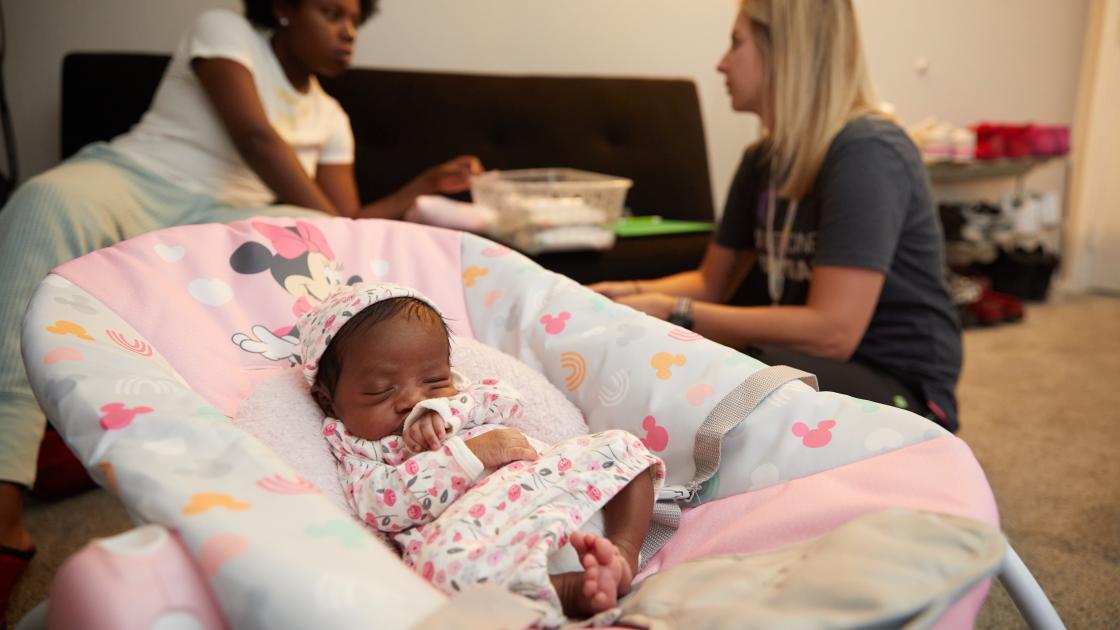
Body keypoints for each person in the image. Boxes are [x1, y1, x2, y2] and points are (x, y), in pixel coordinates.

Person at [0, 0, 482, 615]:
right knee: (46, 201)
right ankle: (6, 504)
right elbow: (254, 136)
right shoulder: (223, 31)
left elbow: (346, 224)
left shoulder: (331, 117)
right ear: (283, 9)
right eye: (332, 13)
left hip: (231, 216)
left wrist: (417, 191)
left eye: (357, 21)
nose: (347, 32)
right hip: (138, 181)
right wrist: (321, 219)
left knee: (312, 243)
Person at [591, 0, 962, 432]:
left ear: (784, 48)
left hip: (897, 382)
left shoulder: (868, 151)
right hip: (810, 360)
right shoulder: (762, 159)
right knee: (689, 369)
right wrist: (625, 296)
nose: (721, 64)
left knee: (729, 382)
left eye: (736, 44)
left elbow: (833, 333)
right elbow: (711, 282)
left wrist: (676, 312)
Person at [298, 282, 664, 620]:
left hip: (545, 481)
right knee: (438, 571)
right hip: (476, 532)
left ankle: (623, 552)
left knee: (620, 445)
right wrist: (469, 455)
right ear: (329, 402)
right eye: (381, 390)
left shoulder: (461, 395)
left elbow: (506, 399)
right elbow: (381, 506)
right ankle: (569, 589)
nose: (412, 399)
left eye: (433, 380)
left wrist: (449, 408)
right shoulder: (357, 447)